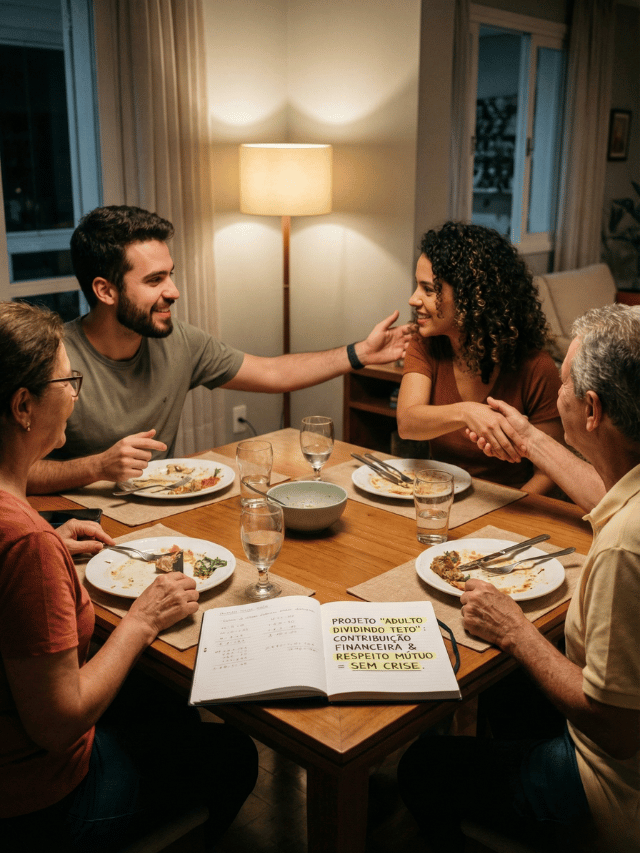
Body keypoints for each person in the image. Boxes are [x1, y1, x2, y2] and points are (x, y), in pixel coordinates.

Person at [0, 302, 258, 852]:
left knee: (160, 701)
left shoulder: (23, 531)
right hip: (43, 805)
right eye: (68, 381)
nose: (77, 393)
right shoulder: (25, 542)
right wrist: (139, 622)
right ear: (23, 406)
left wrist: (51, 547)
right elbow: (58, 722)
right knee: (235, 754)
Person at [397, 304, 640, 852]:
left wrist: (516, 631)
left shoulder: (627, 543)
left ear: (593, 409)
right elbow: (606, 497)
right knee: (506, 690)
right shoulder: (631, 489)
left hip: (609, 789)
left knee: (422, 766)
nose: (557, 390)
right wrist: (528, 437)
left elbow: (616, 730)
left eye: (565, 384)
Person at [27, 205, 412, 494]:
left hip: (163, 516)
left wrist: (360, 352)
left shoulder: (179, 341)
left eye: (171, 275)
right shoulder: (53, 358)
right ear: (105, 290)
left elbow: (275, 374)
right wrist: (97, 466)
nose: (173, 292)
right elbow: (14, 475)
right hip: (76, 527)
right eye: (155, 280)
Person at [396, 220, 564, 493]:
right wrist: (467, 412)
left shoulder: (536, 366)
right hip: (441, 498)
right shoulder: (425, 344)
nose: (413, 299)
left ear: (469, 297)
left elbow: (550, 472)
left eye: (428, 289)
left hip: (512, 507)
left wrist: (502, 517)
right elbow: (407, 423)